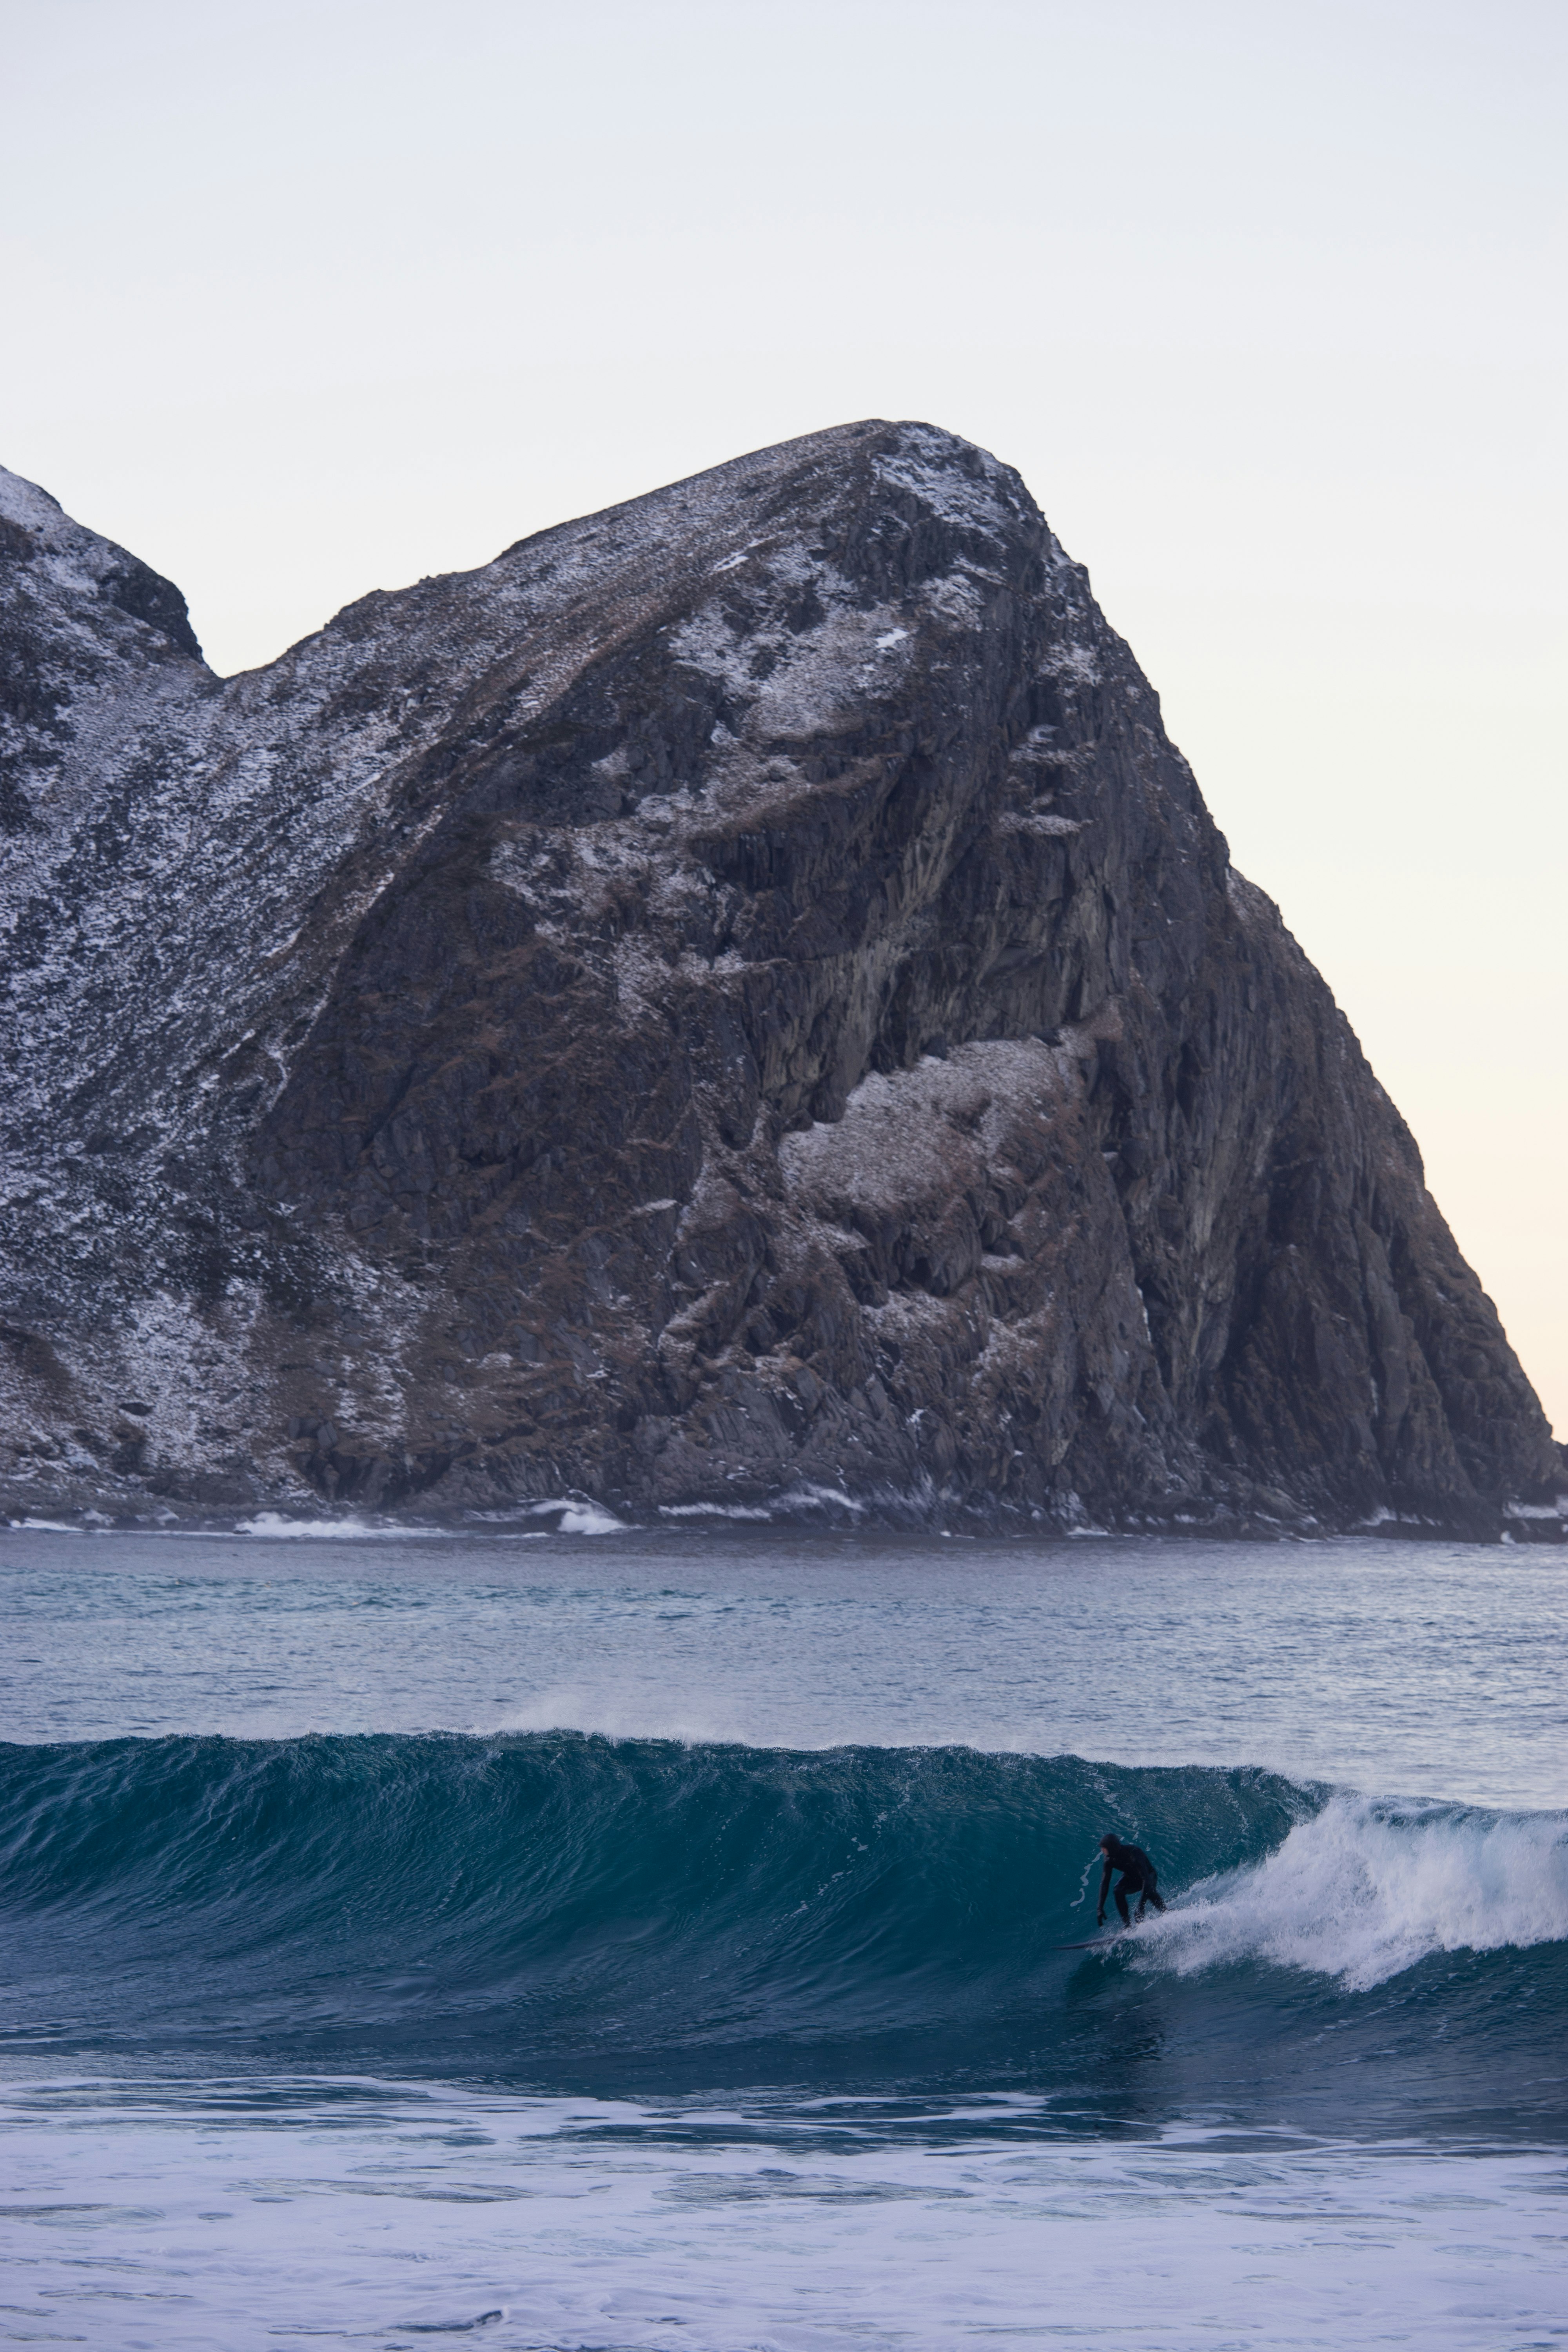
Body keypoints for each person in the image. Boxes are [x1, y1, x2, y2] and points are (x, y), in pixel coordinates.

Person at [1097, 1833, 1166, 1928]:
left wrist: (1141, 1907)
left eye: (1104, 1848)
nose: (1102, 1850)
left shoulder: (1133, 1854)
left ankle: (1166, 1913)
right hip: (1131, 1878)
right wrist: (1100, 1908)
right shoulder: (1109, 1860)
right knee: (1118, 1890)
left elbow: (1146, 1879)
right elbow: (1105, 1883)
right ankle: (1127, 1926)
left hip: (1149, 1876)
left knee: (1149, 1891)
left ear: (1112, 1848)